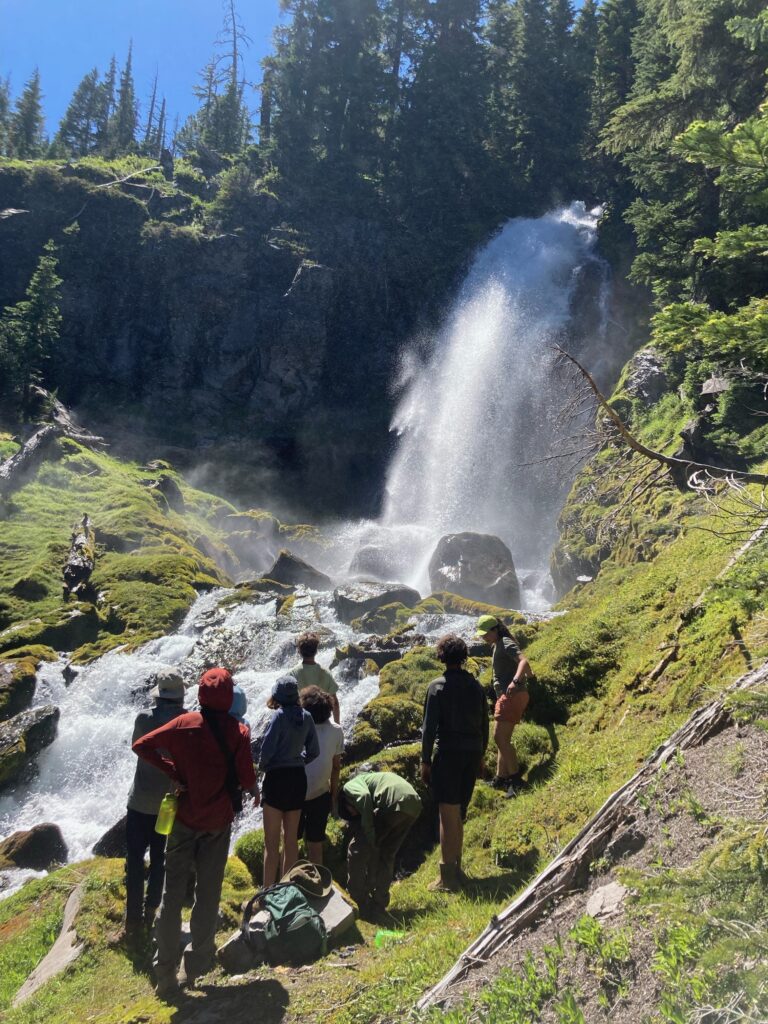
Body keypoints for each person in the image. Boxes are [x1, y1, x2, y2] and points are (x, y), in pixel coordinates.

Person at [133, 667, 258, 999]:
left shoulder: (183, 723)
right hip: (217, 823)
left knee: (171, 896)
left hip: (184, 820)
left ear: (200, 694)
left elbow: (142, 746)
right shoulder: (239, 731)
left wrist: (173, 770)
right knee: (208, 894)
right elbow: (246, 779)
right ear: (229, 696)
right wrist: (255, 790)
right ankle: (196, 966)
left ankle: (165, 974)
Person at [420, 634, 488, 892]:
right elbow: (484, 723)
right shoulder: (475, 686)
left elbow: (429, 729)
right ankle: (456, 869)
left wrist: (425, 760)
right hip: (471, 753)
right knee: (458, 813)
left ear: (441, 656)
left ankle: (447, 877)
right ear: (463, 656)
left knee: (447, 815)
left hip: (448, 754)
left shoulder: (437, 687)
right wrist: (481, 755)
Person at [124, 667, 186, 937]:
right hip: (169, 804)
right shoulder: (187, 721)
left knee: (135, 859)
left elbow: (136, 746)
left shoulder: (144, 718)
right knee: (160, 857)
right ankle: (151, 910)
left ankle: (132, 921)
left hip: (139, 801)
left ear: (159, 696)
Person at [259, 674, 320, 887]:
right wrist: (299, 761)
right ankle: (286, 889)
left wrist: (264, 767)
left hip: (277, 779)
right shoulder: (307, 717)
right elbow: (314, 751)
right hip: (297, 778)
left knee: (271, 842)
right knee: (291, 840)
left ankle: (267, 891)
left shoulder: (277, 717)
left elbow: (266, 750)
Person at [338, 771, 421, 920]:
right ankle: (378, 904)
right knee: (387, 854)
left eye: (352, 812)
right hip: (413, 804)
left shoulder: (349, 787)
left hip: (393, 802)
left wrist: (369, 832)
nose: (354, 814)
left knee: (356, 850)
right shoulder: (373, 780)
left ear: (346, 801)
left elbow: (363, 798)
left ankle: (357, 900)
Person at [475, 614, 531, 798]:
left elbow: (523, 660)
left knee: (500, 738)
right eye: (482, 634)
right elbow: (526, 667)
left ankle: (516, 781)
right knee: (502, 740)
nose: (484, 637)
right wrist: (530, 676)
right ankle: (500, 778)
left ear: (496, 629)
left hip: (511, 696)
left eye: (486, 633)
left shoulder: (505, 642)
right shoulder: (498, 645)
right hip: (511, 696)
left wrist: (515, 681)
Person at [299, 685, 344, 865]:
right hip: (321, 793)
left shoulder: (299, 727)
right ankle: (317, 883)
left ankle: (284, 883)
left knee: (288, 842)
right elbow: (336, 767)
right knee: (315, 844)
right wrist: (333, 795)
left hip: (296, 793)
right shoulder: (336, 730)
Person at [291, 631, 340, 723]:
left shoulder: (292, 674)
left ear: (299, 651)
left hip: (302, 722)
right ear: (316, 651)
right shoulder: (326, 673)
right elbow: (335, 703)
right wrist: (337, 725)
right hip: (323, 722)